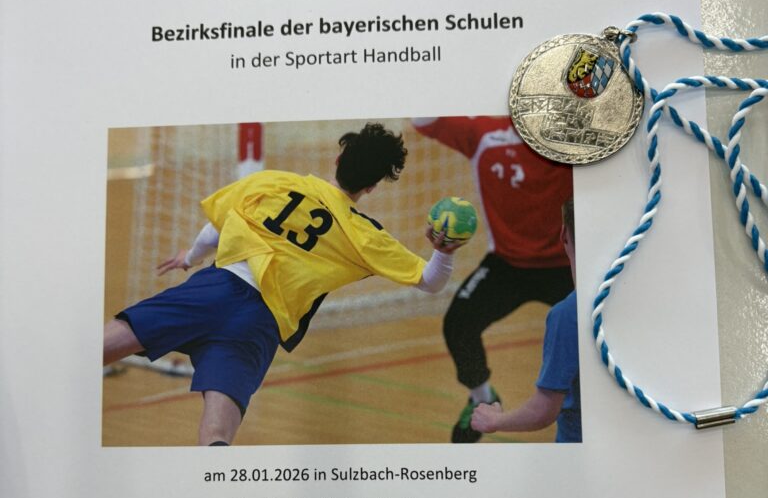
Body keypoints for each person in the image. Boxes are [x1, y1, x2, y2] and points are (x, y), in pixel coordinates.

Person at [104, 123, 462, 446]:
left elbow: (215, 229)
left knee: (100, 347)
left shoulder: (275, 182)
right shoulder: (366, 236)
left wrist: (191, 257)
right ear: (371, 187)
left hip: (213, 290)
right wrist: (443, 251)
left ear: (338, 159)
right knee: (216, 437)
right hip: (258, 324)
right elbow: (431, 281)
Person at [412, 116, 573, 441]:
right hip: (507, 264)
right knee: (459, 324)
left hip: (565, 264)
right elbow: (422, 120)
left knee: (592, 331)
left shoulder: (569, 140)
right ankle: (482, 398)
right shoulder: (484, 134)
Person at [470, 197, 580, 442]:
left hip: (577, 451)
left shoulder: (568, 314)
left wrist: (495, 420)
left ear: (563, 235)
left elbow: (544, 410)